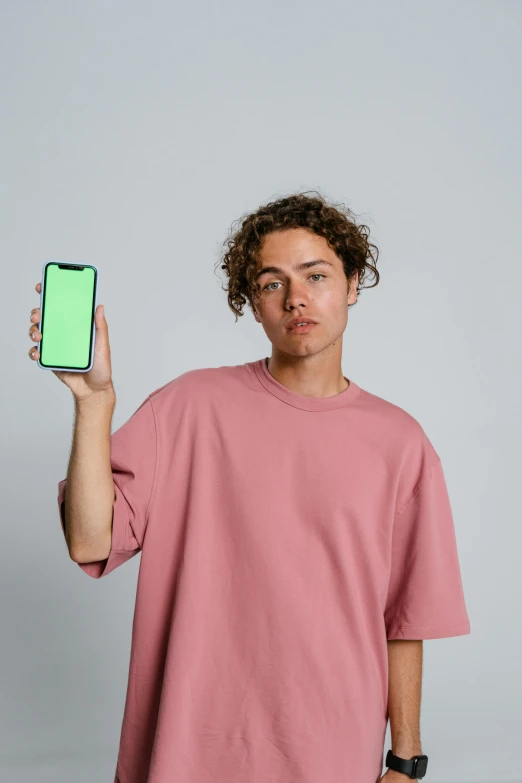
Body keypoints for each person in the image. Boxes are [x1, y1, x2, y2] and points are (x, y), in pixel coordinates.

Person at [29, 191, 470, 783]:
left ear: (353, 283)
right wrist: (94, 402)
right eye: (271, 283)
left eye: (316, 275)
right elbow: (88, 541)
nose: (296, 298)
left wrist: (406, 761)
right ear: (252, 303)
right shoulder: (187, 407)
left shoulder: (400, 441)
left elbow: (406, 616)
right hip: (191, 745)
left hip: (330, 746)